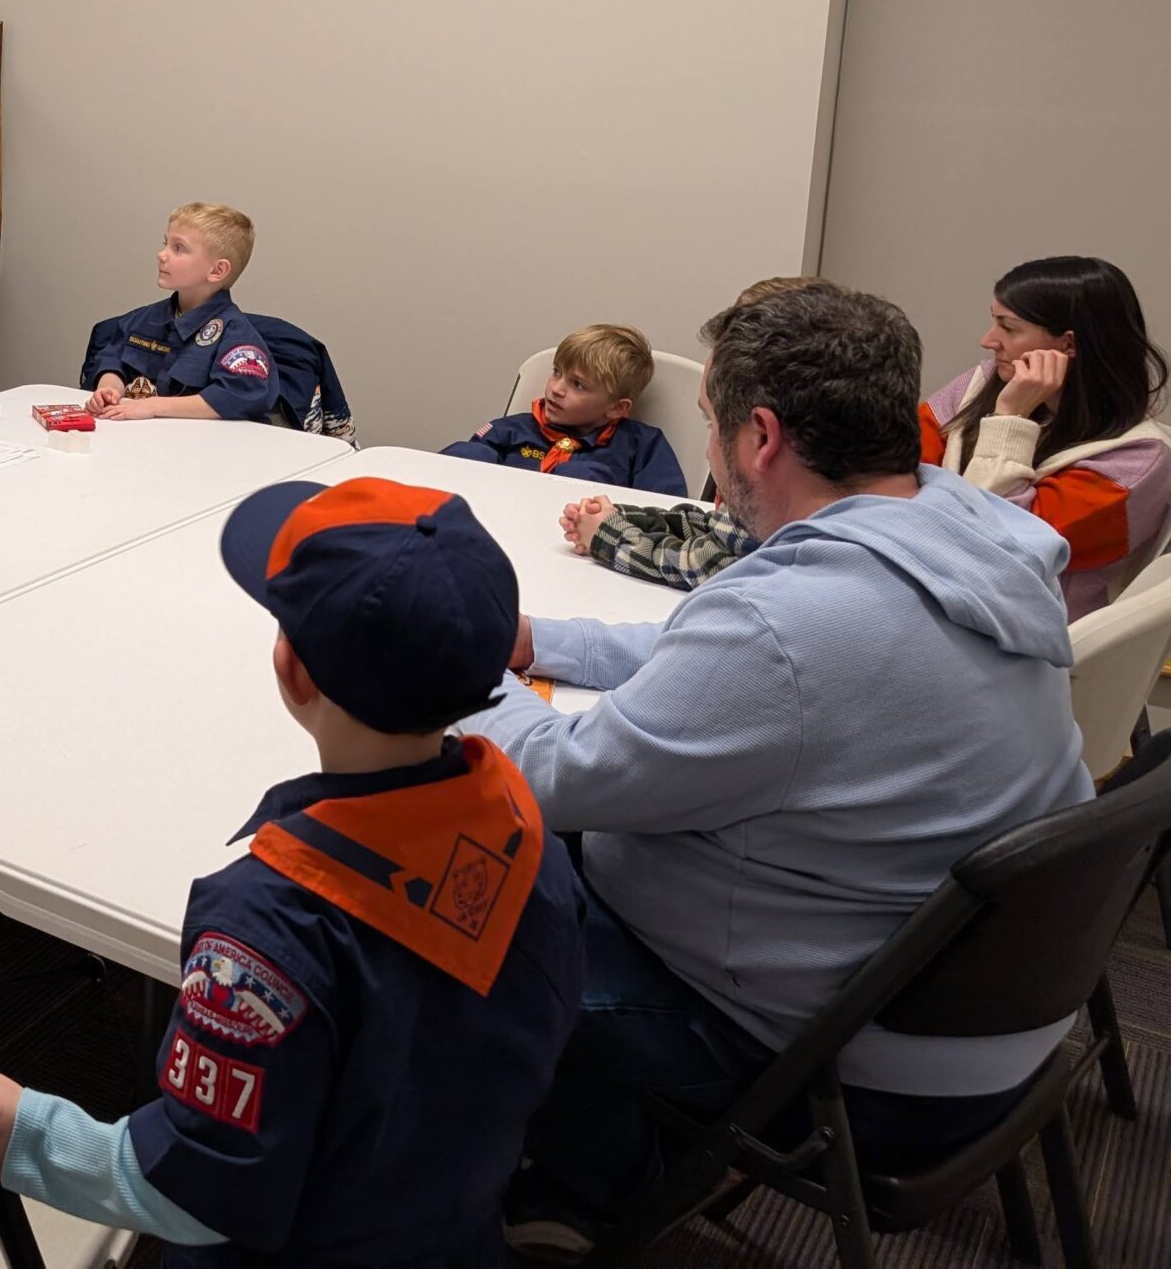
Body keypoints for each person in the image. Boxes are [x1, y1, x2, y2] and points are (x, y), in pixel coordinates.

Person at [472, 285, 1091, 1256]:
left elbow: (550, 774)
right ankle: (592, 1164)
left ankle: (573, 1198)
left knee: (458, 914)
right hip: (985, 1018)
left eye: (711, 422)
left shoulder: (789, 622)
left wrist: (455, 664)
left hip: (853, 1073)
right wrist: (538, 641)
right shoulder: (962, 532)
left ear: (758, 436)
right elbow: (715, 654)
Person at [0, 477, 582, 1265]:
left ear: (291, 669)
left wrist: (27, 1136)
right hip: (451, 1226)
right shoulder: (526, 827)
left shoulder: (267, 934)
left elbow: (194, 1189)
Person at [919, 255, 1171, 619]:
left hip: (1021, 636)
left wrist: (1009, 418)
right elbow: (894, 468)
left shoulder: (1137, 462)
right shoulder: (981, 382)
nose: (988, 341)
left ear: (1068, 344)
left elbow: (995, 550)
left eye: (1008, 327)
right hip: (937, 600)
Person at [555, 278, 842, 592]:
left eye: (713, 423)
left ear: (762, 437)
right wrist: (625, 517)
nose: (709, 449)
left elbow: (701, 564)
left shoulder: (775, 500)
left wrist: (608, 535)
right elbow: (716, 529)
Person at [79, 204, 286, 423]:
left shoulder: (238, 338)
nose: (161, 255)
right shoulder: (142, 320)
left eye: (178, 248)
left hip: (201, 441)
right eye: (165, 244)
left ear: (217, 270)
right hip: (136, 434)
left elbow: (235, 397)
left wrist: (152, 406)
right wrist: (109, 388)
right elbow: (112, 359)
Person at [442, 323, 687, 495]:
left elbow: (665, 509)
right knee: (469, 454)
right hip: (497, 525)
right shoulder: (511, 430)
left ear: (616, 408)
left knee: (581, 476)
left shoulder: (642, 445)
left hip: (584, 544)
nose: (556, 389)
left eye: (578, 385)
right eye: (557, 372)